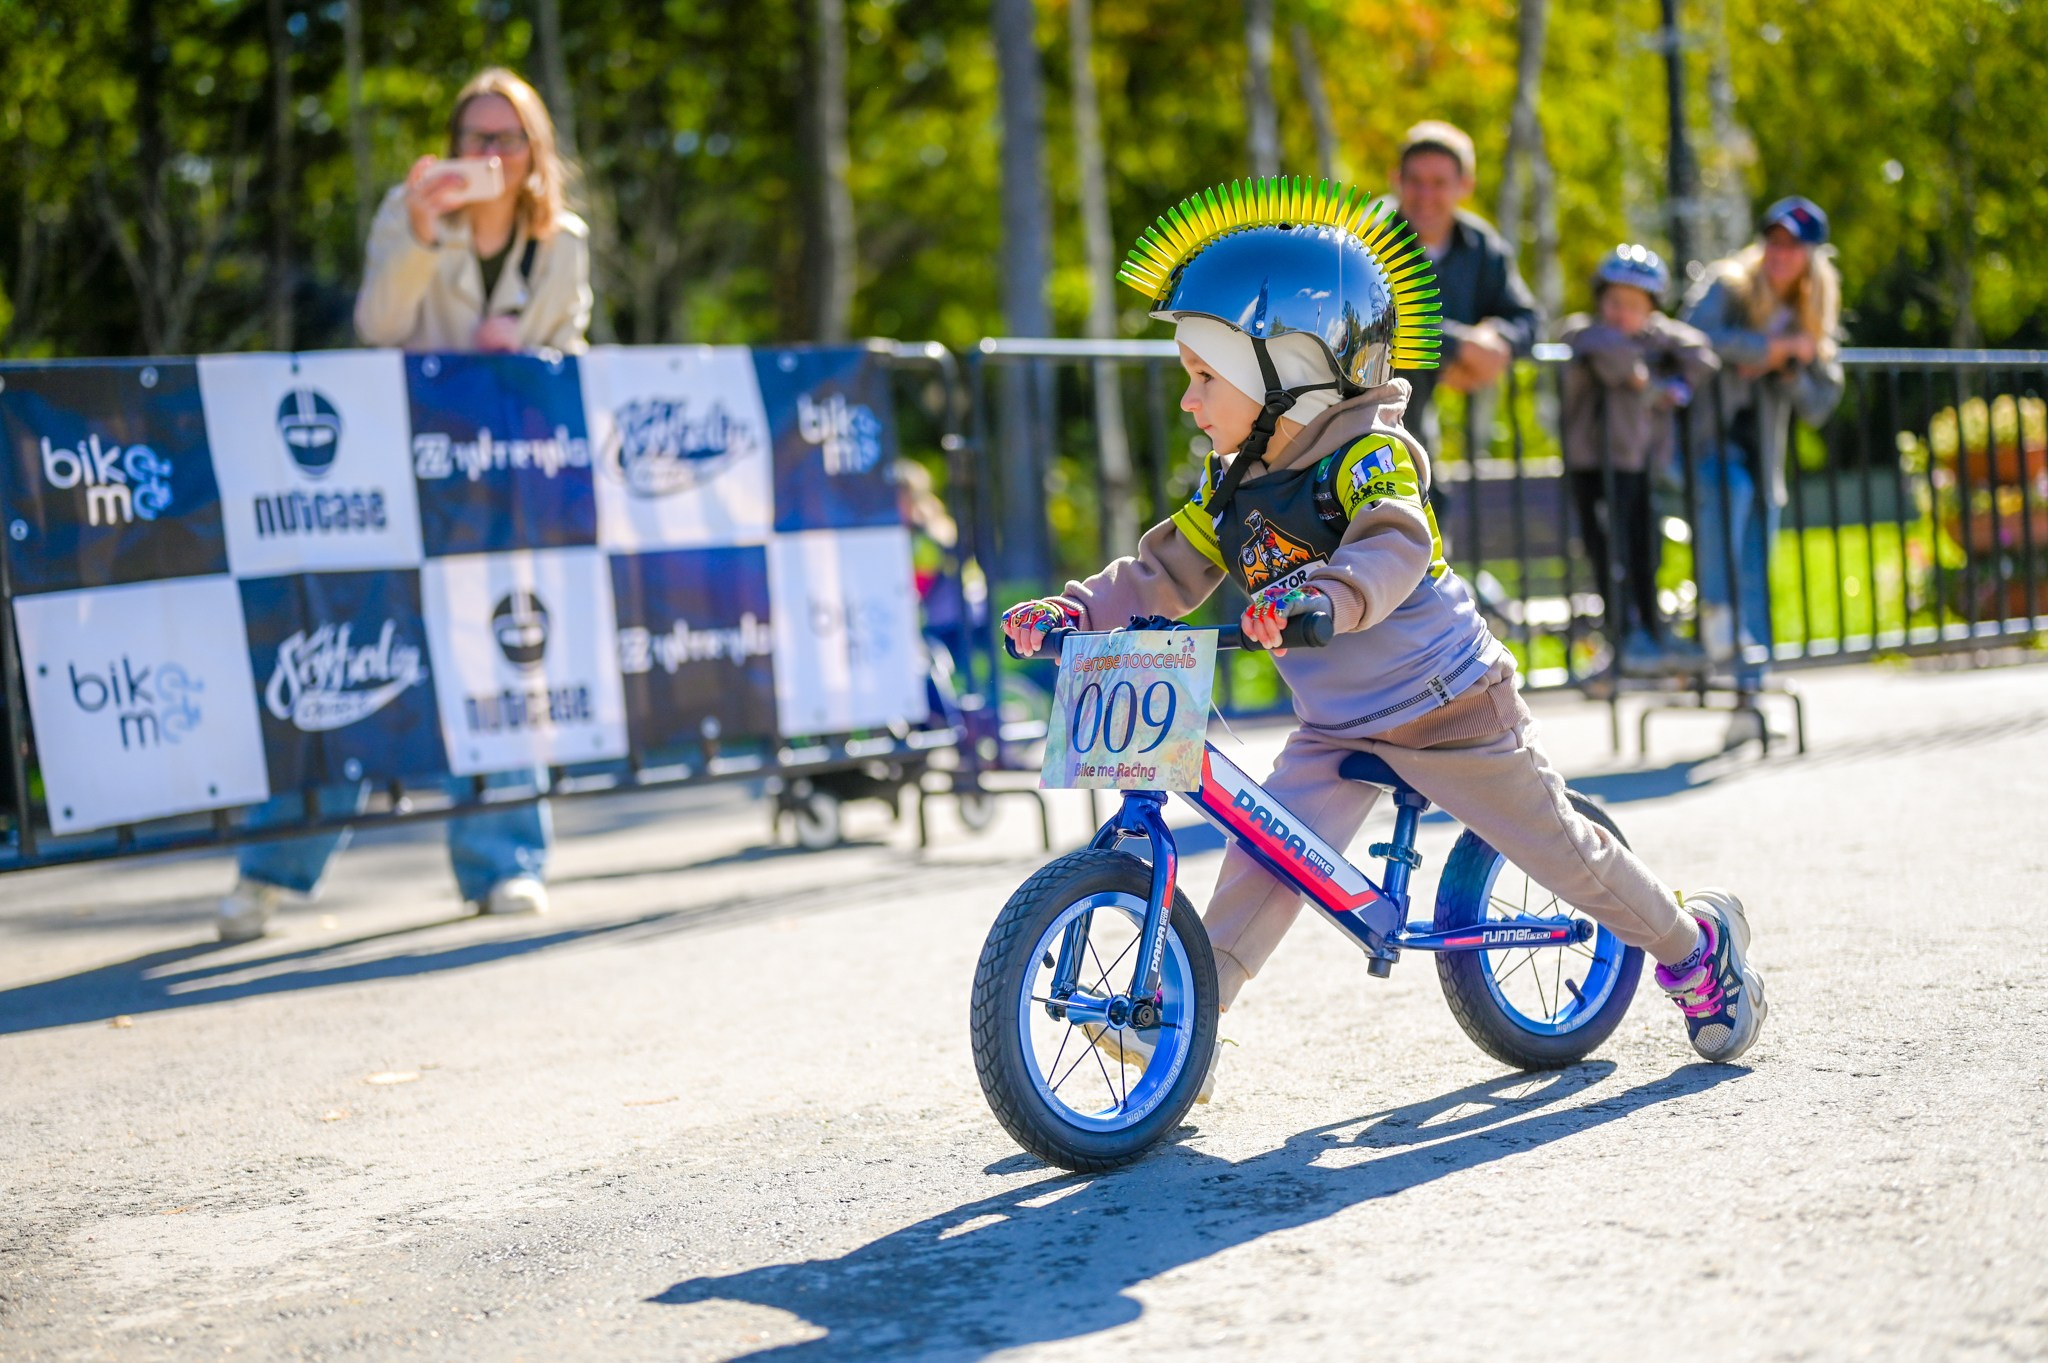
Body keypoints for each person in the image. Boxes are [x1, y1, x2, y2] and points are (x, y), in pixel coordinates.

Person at [1002, 178, 1766, 1097]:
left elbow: (1395, 543)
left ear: (1293, 371)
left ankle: (1696, 948)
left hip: (1447, 707)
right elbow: (1162, 572)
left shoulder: (1369, 453)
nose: (1188, 401)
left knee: (1563, 853)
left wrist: (1327, 595)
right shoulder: (1234, 480)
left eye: (1206, 377)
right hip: (1338, 723)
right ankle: (1183, 1023)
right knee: (1261, 863)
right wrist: (1078, 613)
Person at [218, 68, 591, 943]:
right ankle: (269, 870)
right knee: (350, 661)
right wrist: (423, 234)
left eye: (508, 137)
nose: (491, 153)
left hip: (496, 490)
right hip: (392, 478)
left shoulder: (561, 240)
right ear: (453, 145)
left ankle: (505, 861)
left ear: (534, 150)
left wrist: (521, 358)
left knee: (499, 661)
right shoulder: (408, 209)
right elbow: (378, 324)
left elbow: (568, 359)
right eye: (476, 137)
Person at [1680, 197, 1844, 688]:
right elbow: (1692, 334)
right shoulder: (1729, 285)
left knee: (1756, 560)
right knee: (1729, 495)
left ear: (1811, 255)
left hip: (1761, 454)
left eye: (1791, 245)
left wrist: (1787, 363)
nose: (1779, 252)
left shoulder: (1807, 313)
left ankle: (1751, 684)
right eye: (1773, 241)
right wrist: (1767, 347)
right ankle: (1716, 632)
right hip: (1705, 443)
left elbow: (1821, 401)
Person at [1558, 244, 1720, 675]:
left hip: (1638, 465)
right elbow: (1608, 356)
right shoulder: (1587, 334)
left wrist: (1676, 383)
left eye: (1633, 305)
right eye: (1613, 302)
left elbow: (1701, 354)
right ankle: (1623, 634)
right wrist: (1643, 376)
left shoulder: (1654, 336)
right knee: (1605, 551)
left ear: (1652, 309)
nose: (1620, 314)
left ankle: (1652, 630)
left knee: (1645, 549)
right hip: (1592, 464)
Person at [1388, 121, 1541, 460]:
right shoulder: (1369, 237)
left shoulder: (1483, 246)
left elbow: (1528, 319)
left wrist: (1496, 341)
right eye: (1414, 181)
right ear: (1396, 180)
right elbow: (1378, 319)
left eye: (1439, 183)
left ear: (1465, 186)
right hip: (1367, 427)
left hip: (1428, 435)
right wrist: (1458, 347)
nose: (1425, 195)